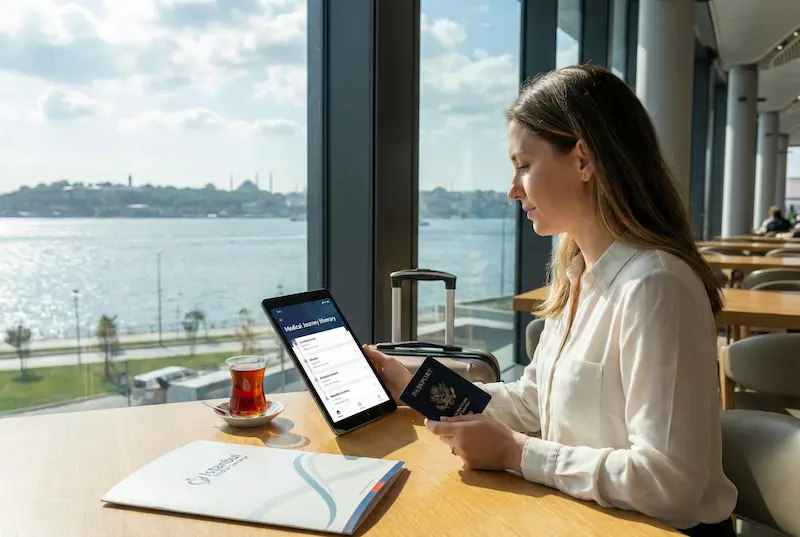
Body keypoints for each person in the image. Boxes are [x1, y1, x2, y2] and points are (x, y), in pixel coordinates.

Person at [364, 65, 738, 537]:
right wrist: (414, 387)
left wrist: (518, 454)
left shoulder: (655, 286)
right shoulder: (578, 275)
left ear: (583, 159)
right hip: (585, 519)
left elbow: (671, 482)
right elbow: (531, 403)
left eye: (523, 165)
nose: (512, 188)